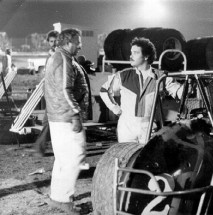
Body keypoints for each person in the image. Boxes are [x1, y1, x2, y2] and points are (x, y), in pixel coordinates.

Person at [100, 37, 184, 144]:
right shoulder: (123, 75)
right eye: (131, 52)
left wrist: (187, 89)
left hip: (148, 127)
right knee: (126, 159)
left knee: (146, 159)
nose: (131, 56)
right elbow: (104, 90)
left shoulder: (160, 76)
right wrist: (115, 108)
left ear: (146, 56)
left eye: (135, 53)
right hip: (126, 127)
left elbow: (178, 91)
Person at [44, 28, 89, 214]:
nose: (80, 46)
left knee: (62, 159)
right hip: (66, 117)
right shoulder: (63, 59)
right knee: (75, 156)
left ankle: (57, 197)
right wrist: (75, 115)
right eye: (77, 42)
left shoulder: (57, 57)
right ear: (68, 42)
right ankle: (65, 200)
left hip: (57, 116)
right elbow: (65, 90)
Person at [33, 30, 59, 157]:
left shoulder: (57, 54)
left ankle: (40, 147)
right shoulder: (52, 55)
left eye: (55, 41)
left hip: (55, 91)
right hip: (52, 91)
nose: (53, 44)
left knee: (48, 121)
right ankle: (40, 147)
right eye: (51, 41)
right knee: (48, 121)